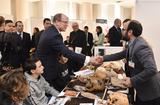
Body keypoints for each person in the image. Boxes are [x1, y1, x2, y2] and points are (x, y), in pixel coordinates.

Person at [97, 20, 160, 105]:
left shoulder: (141, 46)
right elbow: (121, 54)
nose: (122, 31)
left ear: (130, 32)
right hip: (141, 90)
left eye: (124, 29)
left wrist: (132, 81)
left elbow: (151, 69)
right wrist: (103, 58)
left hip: (150, 94)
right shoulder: (133, 43)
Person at [36, 13, 101, 88]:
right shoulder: (54, 34)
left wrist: (61, 56)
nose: (67, 25)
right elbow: (66, 52)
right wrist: (89, 59)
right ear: (57, 22)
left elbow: (53, 49)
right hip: (48, 69)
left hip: (49, 67)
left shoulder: (52, 31)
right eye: (65, 22)